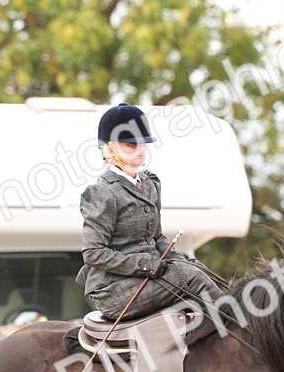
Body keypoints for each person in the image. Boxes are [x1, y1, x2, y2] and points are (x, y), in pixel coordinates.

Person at [76, 102, 223, 321]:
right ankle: (237, 324)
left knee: (196, 270)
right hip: (114, 289)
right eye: (130, 145)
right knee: (192, 279)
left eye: (143, 144)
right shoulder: (102, 192)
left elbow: (156, 238)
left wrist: (180, 259)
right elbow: (93, 252)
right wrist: (145, 265)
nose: (140, 150)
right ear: (109, 148)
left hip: (147, 279)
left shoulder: (150, 183)